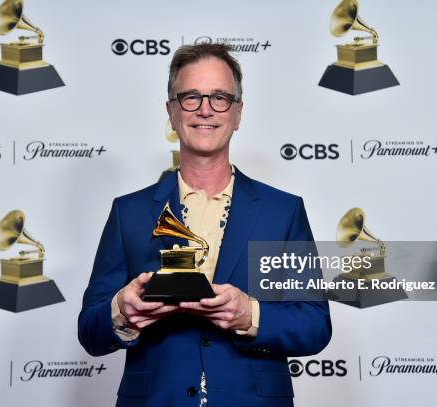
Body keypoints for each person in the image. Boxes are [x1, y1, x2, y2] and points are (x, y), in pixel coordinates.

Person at [78, 43, 331, 407]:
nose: (205, 110)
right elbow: (90, 332)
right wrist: (122, 310)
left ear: (239, 112)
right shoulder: (128, 212)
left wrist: (250, 314)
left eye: (220, 97)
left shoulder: (283, 211)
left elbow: (315, 326)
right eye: (191, 97)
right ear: (171, 111)